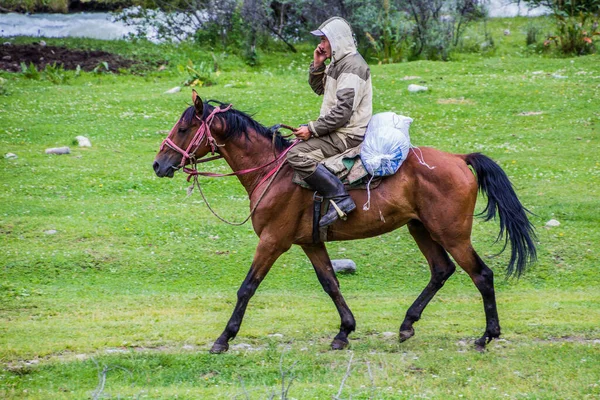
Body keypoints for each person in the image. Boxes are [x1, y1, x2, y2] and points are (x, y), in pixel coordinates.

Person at [287, 17, 373, 227]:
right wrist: (317, 65)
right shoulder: (339, 63)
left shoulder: (352, 68)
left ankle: (341, 198)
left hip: (347, 135)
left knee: (295, 155)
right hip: (338, 130)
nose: (321, 45)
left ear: (337, 40)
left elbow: (342, 112)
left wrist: (312, 129)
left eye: (325, 39)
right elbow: (320, 89)